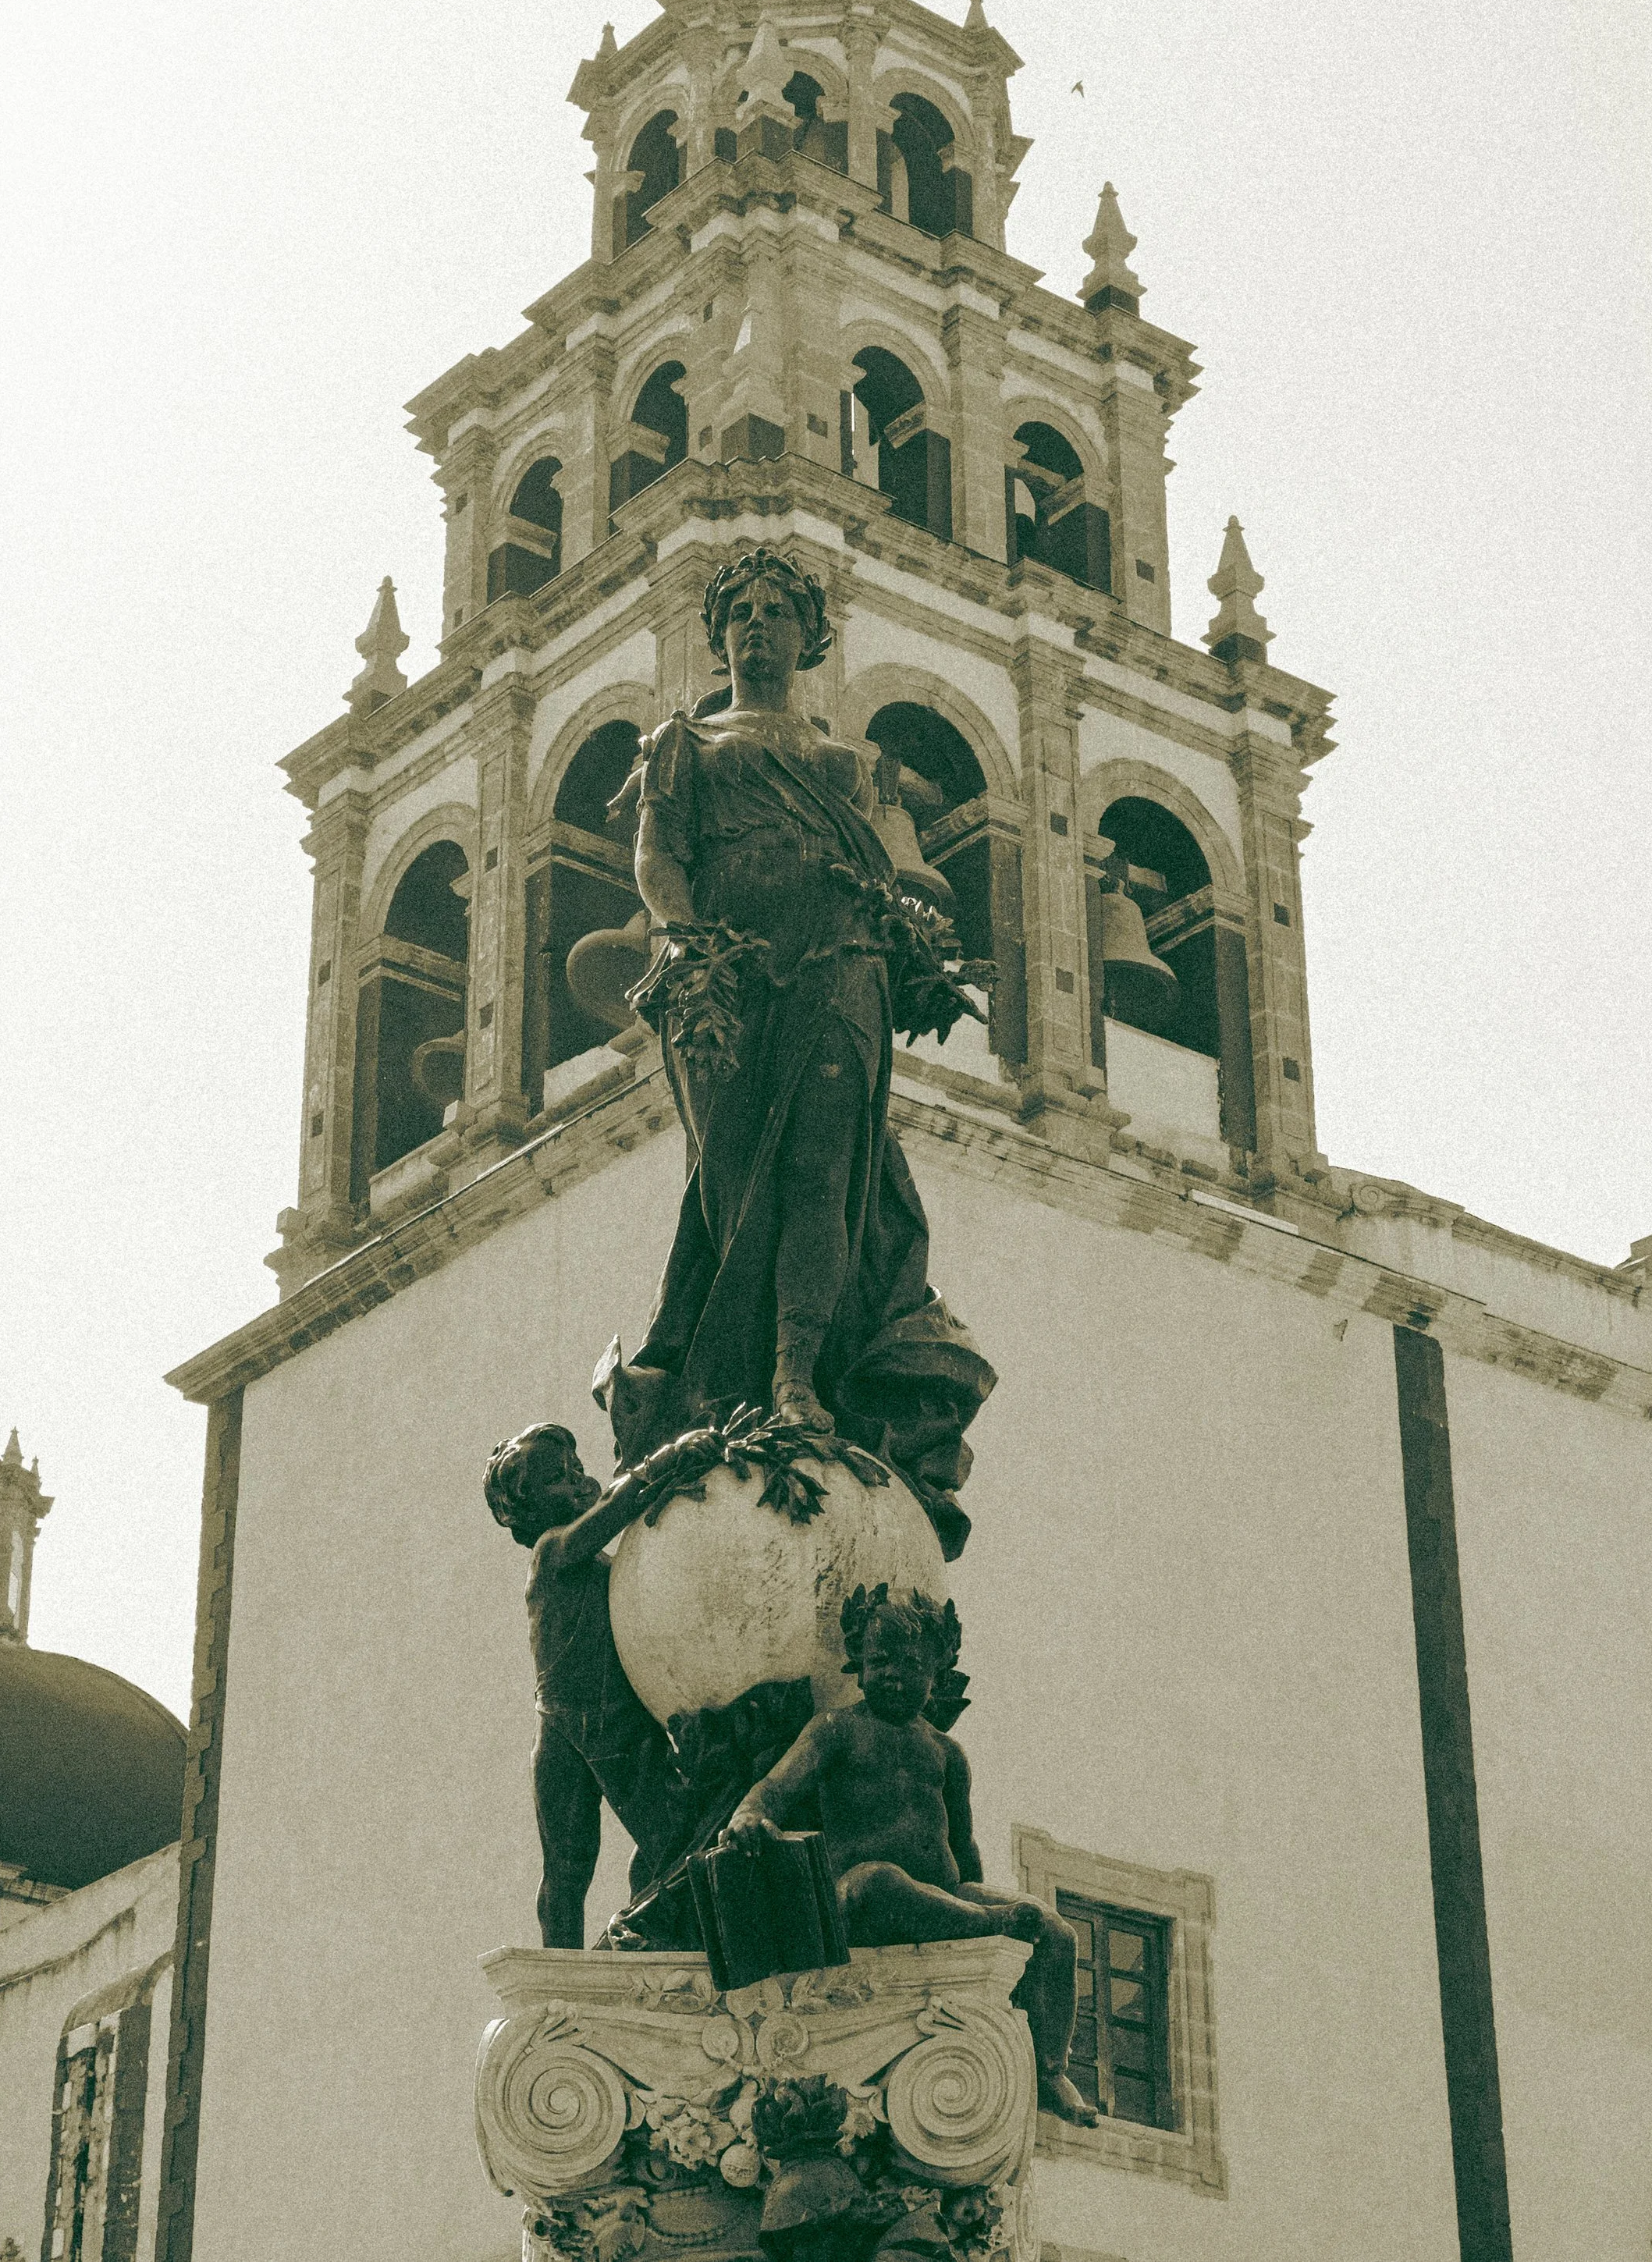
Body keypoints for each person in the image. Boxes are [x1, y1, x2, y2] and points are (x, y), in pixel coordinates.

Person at [601, 545, 994, 1554]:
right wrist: (689, 939)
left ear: (808, 636)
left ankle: (793, 1376)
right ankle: (718, 1371)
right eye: (740, 612)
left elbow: (882, 875)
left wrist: (912, 948)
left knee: (825, 1169)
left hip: (839, 962)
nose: (758, 626)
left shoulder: (848, 763)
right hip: (723, 977)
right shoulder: (683, 743)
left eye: (777, 611)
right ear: (719, 633)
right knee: (733, 1181)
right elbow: (657, 856)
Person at [720, 1584, 1097, 2127]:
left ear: (936, 1674)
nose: (894, 1676)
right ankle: (987, 1926)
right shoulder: (836, 1729)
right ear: (859, 1666)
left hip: (944, 1897)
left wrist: (977, 1897)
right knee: (882, 1881)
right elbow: (775, 1788)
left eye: (911, 1666)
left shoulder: (946, 1752)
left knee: (1057, 1931)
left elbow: (963, 1847)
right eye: (881, 1663)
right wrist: (749, 1816)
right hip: (858, 1897)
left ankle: (1051, 2069)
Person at [484, 1418, 720, 1947]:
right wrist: (666, 1462)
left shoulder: (602, 1563)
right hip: (590, 1725)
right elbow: (614, 1507)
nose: (574, 1479)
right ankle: (562, 1969)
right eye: (556, 1478)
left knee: (641, 1847)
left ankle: (636, 1923)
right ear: (524, 1511)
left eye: (575, 1468)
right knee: (582, 1861)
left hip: (592, 1721)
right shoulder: (553, 1551)